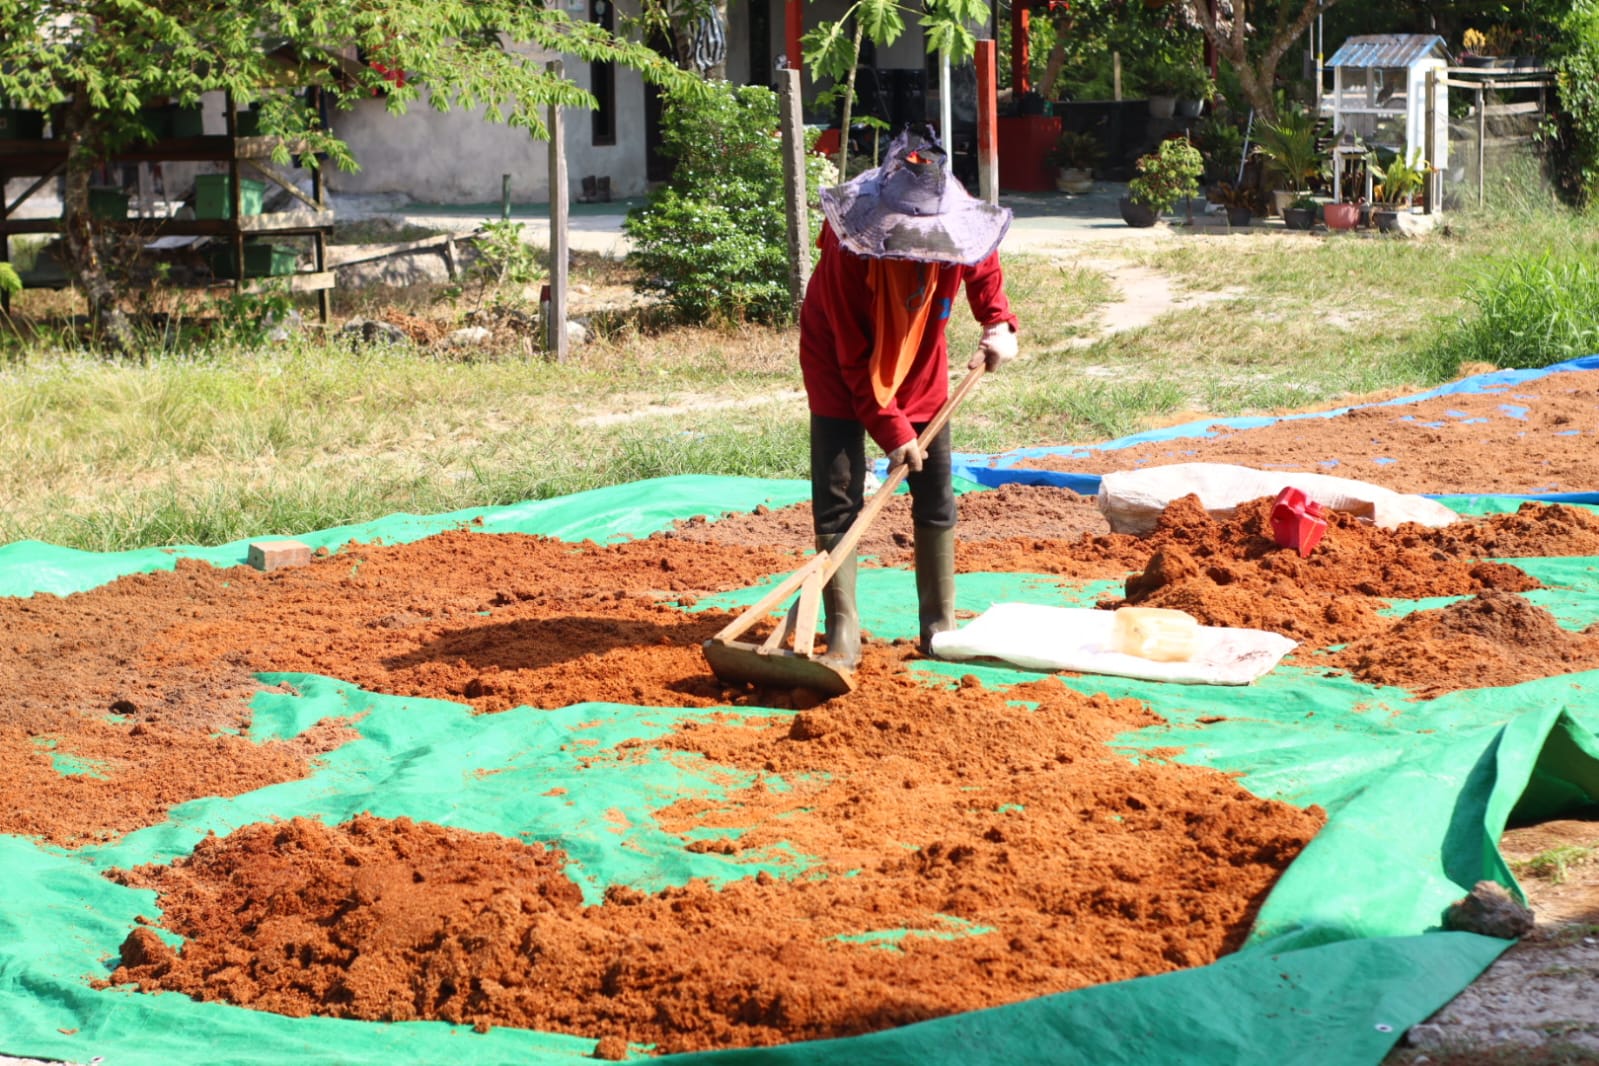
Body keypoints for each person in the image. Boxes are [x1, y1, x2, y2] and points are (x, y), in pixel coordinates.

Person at [799, 124, 1020, 667]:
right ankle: (844, 634)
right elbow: (856, 361)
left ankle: (938, 627)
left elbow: (983, 268)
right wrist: (895, 434)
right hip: (837, 360)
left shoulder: (958, 224)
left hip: (920, 350)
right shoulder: (850, 254)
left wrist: (998, 324)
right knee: (840, 491)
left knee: (934, 488)